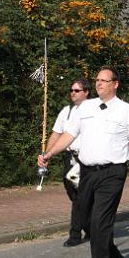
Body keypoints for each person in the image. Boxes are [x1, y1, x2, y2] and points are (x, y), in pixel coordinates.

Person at [38, 67, 129, 258]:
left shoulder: (127, 111)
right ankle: (113, 257)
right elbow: (69, 135)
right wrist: (49, 153)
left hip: (112, 173)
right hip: (87, 172)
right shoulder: (85, 108)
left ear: (115, 84)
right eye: (97, 80)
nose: (98, 83)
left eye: (103, 80)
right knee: (84, 218)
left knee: (99, 222)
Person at [47, 78, 91, 247]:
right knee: (73, 193)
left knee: (80, 196)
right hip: (70, 158)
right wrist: (46, 154)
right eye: (71, 90)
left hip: (85, 159)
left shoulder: (93, 110)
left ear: (86, 92)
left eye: (77, 90)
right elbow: (56, 134)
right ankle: (89, 226)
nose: (73, 93)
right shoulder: (66, 112)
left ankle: (75, 234)